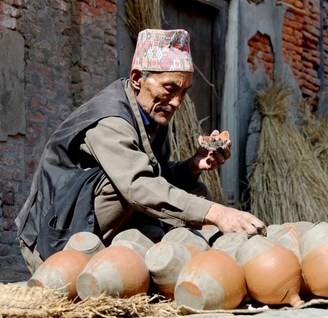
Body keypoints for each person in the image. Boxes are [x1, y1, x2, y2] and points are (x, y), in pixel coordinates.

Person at [15, 28, 266, 273]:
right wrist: (218, 212)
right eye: (170, 89)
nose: (177, 102)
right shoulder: (111, 120)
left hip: (89, 216)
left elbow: (159, 173)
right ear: (137, 78)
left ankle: (146, 251)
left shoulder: (153, 113)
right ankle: (97, 260)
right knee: (127, 186)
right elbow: (137, 185)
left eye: (184, 92)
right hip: (54, 240)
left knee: (192, 188)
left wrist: (191, 166)